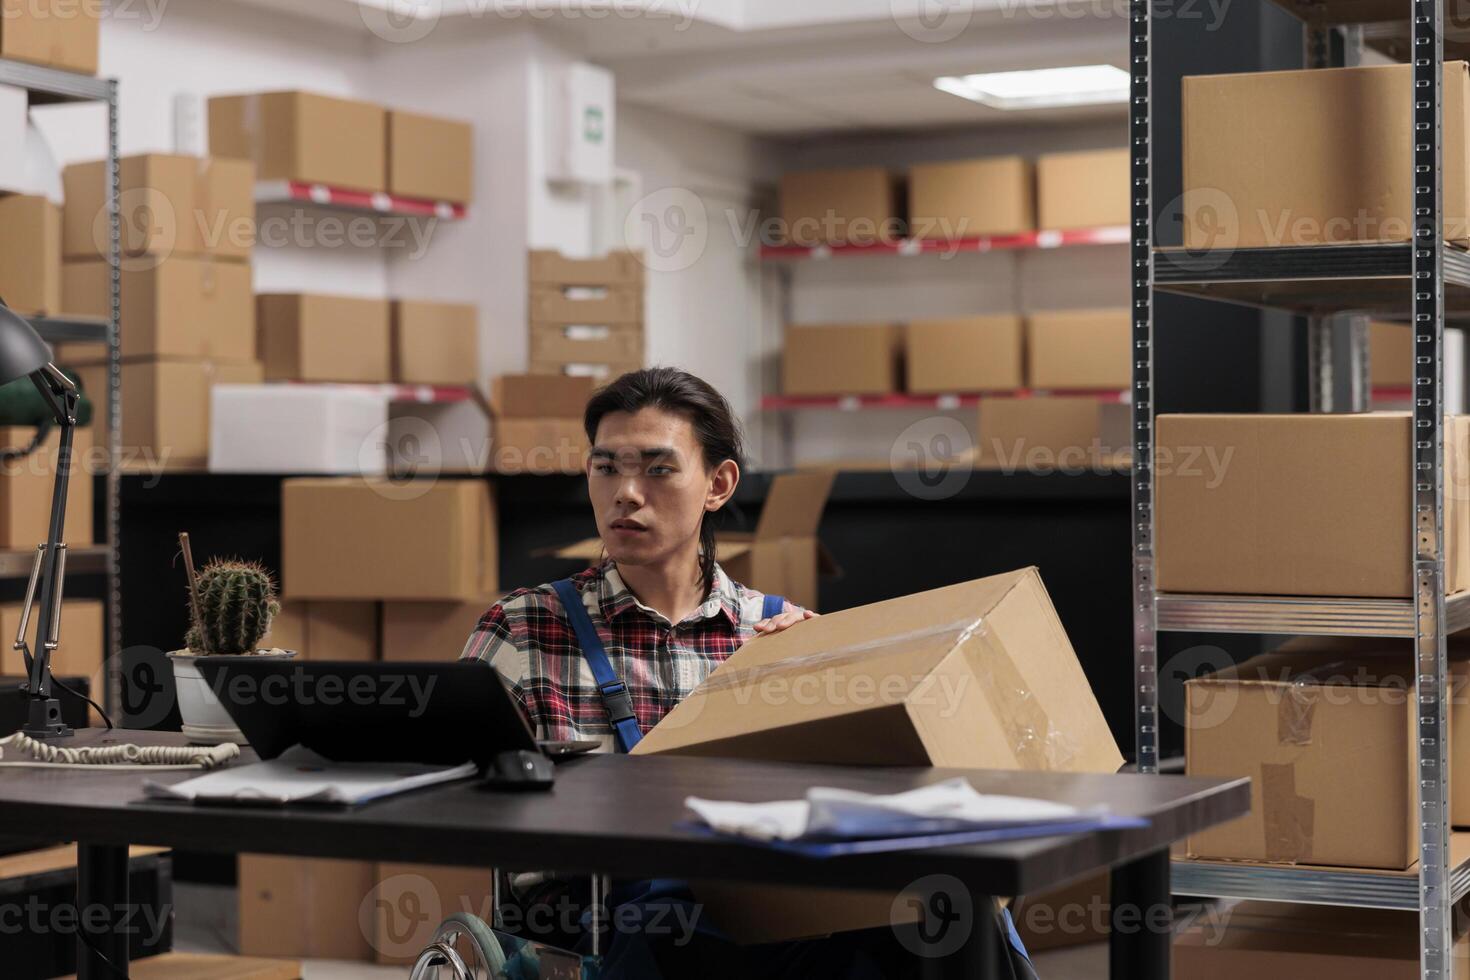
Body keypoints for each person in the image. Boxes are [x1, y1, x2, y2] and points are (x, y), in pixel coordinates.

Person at [460, 368, 1014, 979]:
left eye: (657, 468)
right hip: (596, 921)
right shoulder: (524, 629)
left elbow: (851, 801)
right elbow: (451, 795)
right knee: (672, 924)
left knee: (951, 908)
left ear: (718, 484)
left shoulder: (780, 635)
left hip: (769, 903)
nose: (626, 492)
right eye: (606, 467)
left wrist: (825, 672)